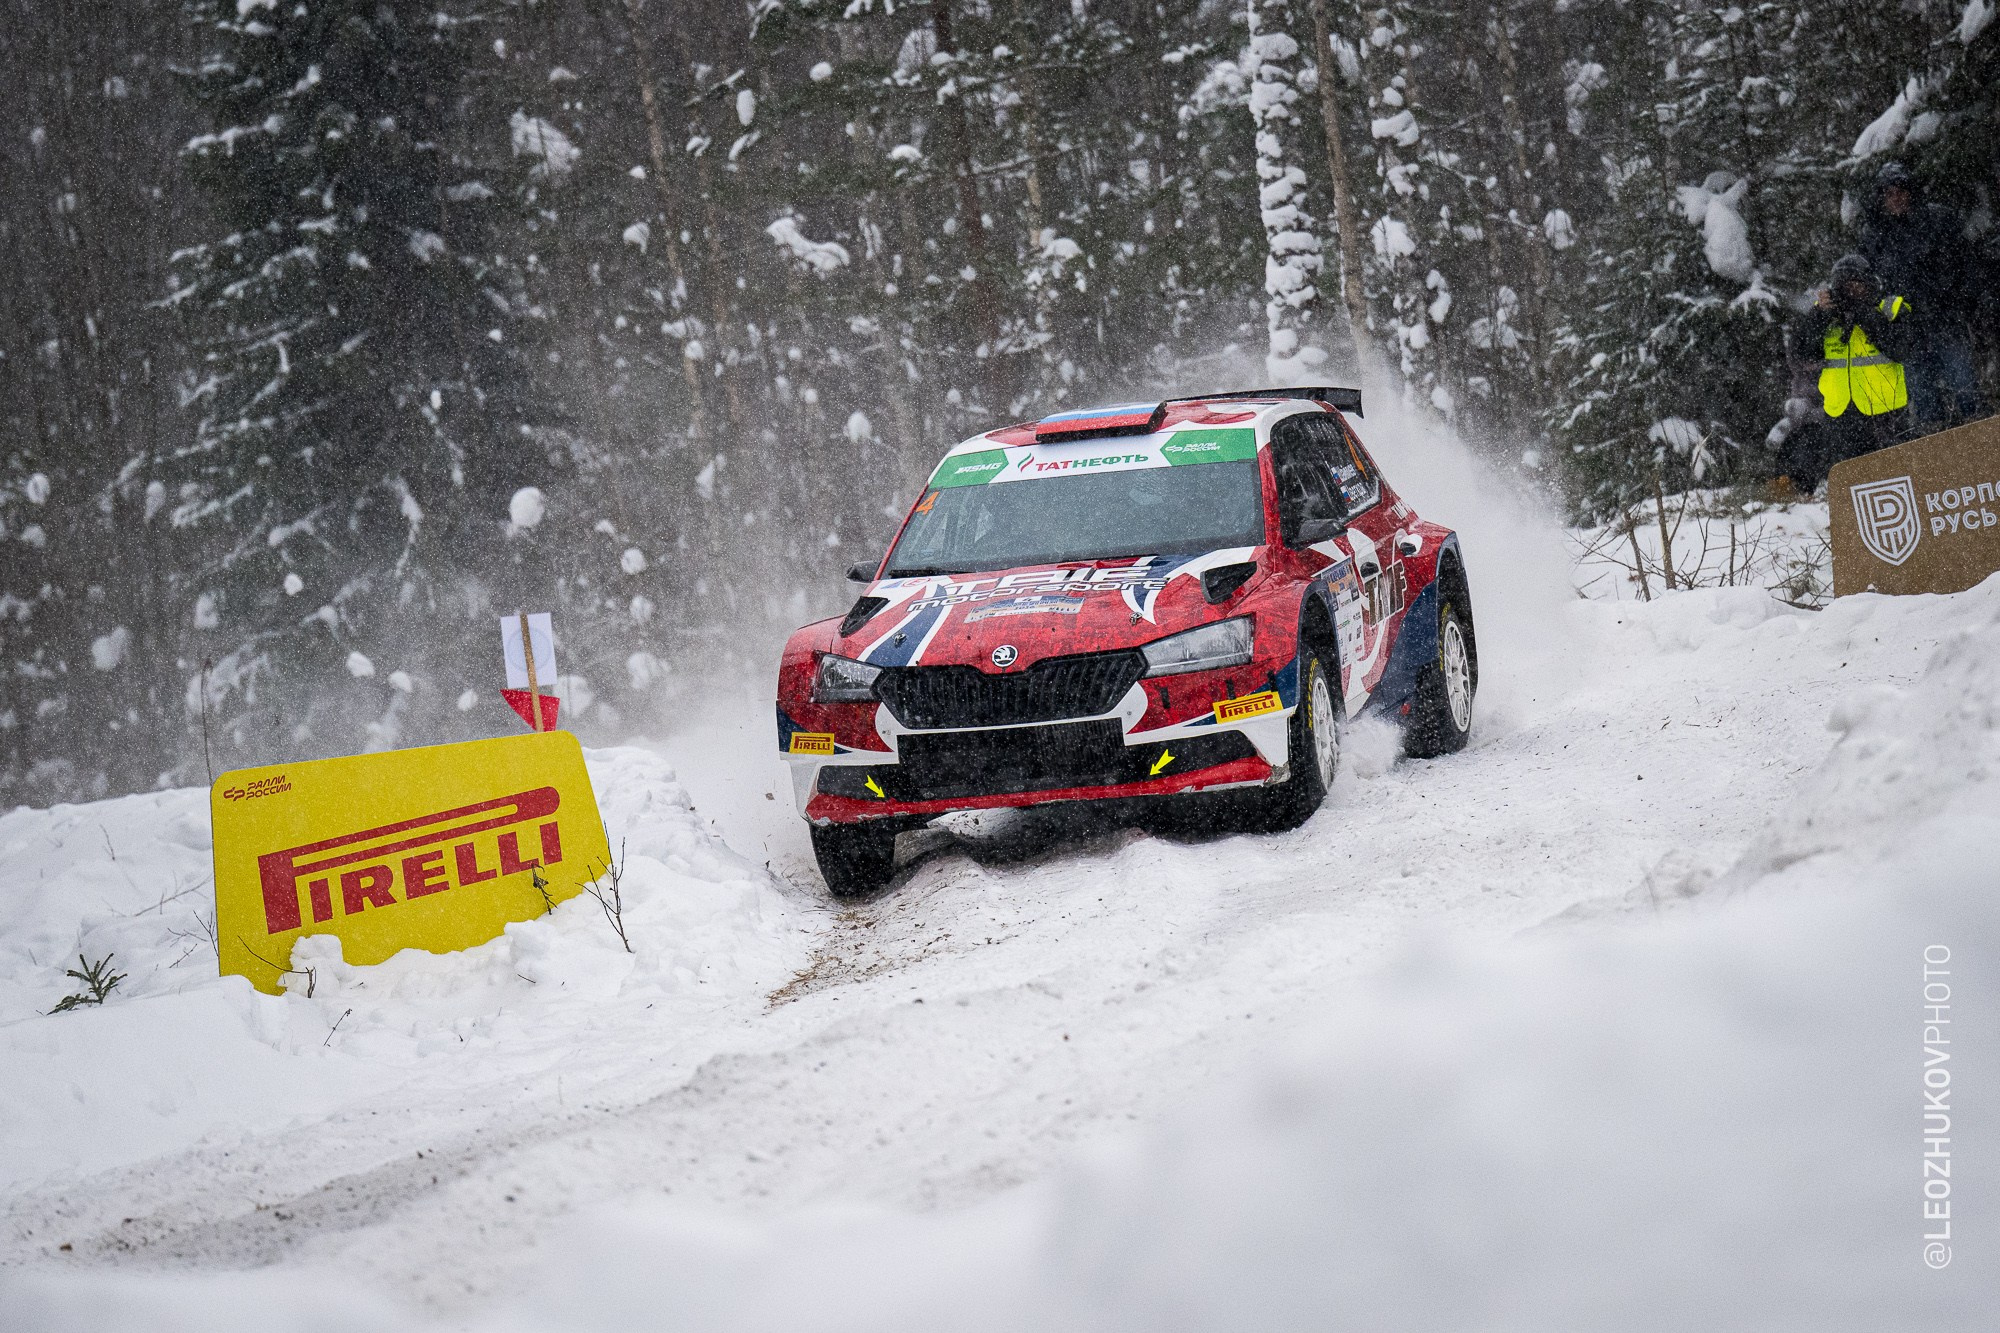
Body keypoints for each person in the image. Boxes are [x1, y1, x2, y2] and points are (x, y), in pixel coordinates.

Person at [1858, 162, 1984, 430]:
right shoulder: (1873, 238)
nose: (1896, 198)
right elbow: (1869, 287)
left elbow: (1968, 265)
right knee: (1925, 401)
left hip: (1946, 321)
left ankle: (1983, 448)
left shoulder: (1939, 220)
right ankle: (1936, 461)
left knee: (1966, 389)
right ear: (1881, 198)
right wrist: (1890, 314)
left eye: (1901, 191)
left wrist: (1962, 302)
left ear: (1911, 191)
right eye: (1889, 193)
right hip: (1907, 333)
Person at [1778, 254, 1917, 492]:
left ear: (1869, 283)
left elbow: (1900, 348)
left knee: (1895, 477)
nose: (1850, 291)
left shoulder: (1888, 307)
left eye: (1856, 284)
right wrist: (1819, 317)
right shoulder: (1826, 314)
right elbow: (1802, 355)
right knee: (1851, 481)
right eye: (1844, 286)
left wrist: (1862, 313)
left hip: (1885, 410)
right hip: (1841, 410)